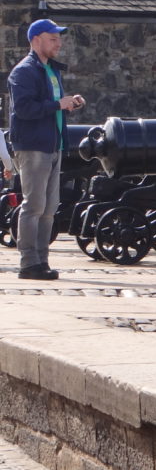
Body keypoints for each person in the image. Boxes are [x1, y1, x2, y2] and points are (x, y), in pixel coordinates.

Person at [7, 19, 86, 280]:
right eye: (53, 38)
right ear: (36, 40)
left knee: (50, 208)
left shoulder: (51, 71)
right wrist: (58, 105)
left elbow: (52, 105)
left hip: (53, 146)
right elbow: (25, 109)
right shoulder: (23, 72)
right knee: (34, 206)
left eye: (58, 38)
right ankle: (28, 263)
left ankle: (41, 261)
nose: (59, 43)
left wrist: (70, 103)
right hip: (32, 147)